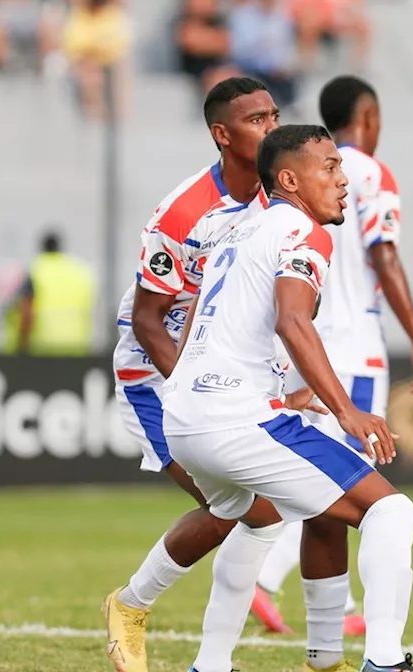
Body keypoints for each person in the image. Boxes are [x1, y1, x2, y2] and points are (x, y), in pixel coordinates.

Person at [162, 124, 413, 672]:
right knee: (392, 511)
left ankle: (237, 663)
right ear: (289, 179)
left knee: (282, 517)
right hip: (236, 419)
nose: (342, 179)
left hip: (185, 416)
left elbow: (199, 329)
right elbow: (291, 319)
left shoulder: (236, 230)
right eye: (328, 167)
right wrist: (348, 412)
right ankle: (385, 661)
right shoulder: (306, 232)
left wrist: (277, 389)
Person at [250, 74, 413, 640]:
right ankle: (266, 576)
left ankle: (330, 615)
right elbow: (383, 256)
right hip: (351, 349)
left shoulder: (302, 174)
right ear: (370, 117)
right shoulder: (369, 173)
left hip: (304, 338)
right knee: (343, 484)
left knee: (323, 478)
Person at [102, 76, 280, 672]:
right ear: (222, 135)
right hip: (157, 377)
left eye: (275, 116)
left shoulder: (276, 200)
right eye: (257, 120)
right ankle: (131, 606)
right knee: (244, 507)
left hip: (222, 371)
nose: (272, 128)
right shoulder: (181, 215)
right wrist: (196, 389)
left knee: (259, 512)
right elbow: (151, 322)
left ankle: (210, 658)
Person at [12, 230, 96, 356]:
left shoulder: (36, 269)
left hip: (43, 347)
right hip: (77, 345)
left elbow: (27, 312)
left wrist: (21, 345)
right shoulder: (80, 271)